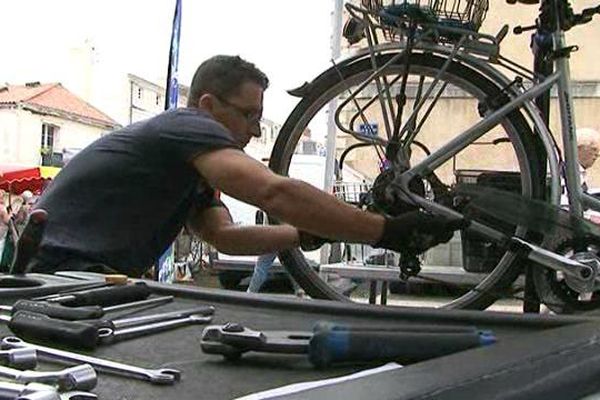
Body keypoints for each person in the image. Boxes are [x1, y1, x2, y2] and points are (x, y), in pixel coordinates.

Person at [29, 55, 462, 277]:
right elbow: (273, 192)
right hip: (62, 270)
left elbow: (225, 237)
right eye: (249, 115)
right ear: (208, 105)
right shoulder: (187, 127)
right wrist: (387, 232)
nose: (255, 131)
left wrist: (304, 233)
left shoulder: (186, 165)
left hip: (72, 272)